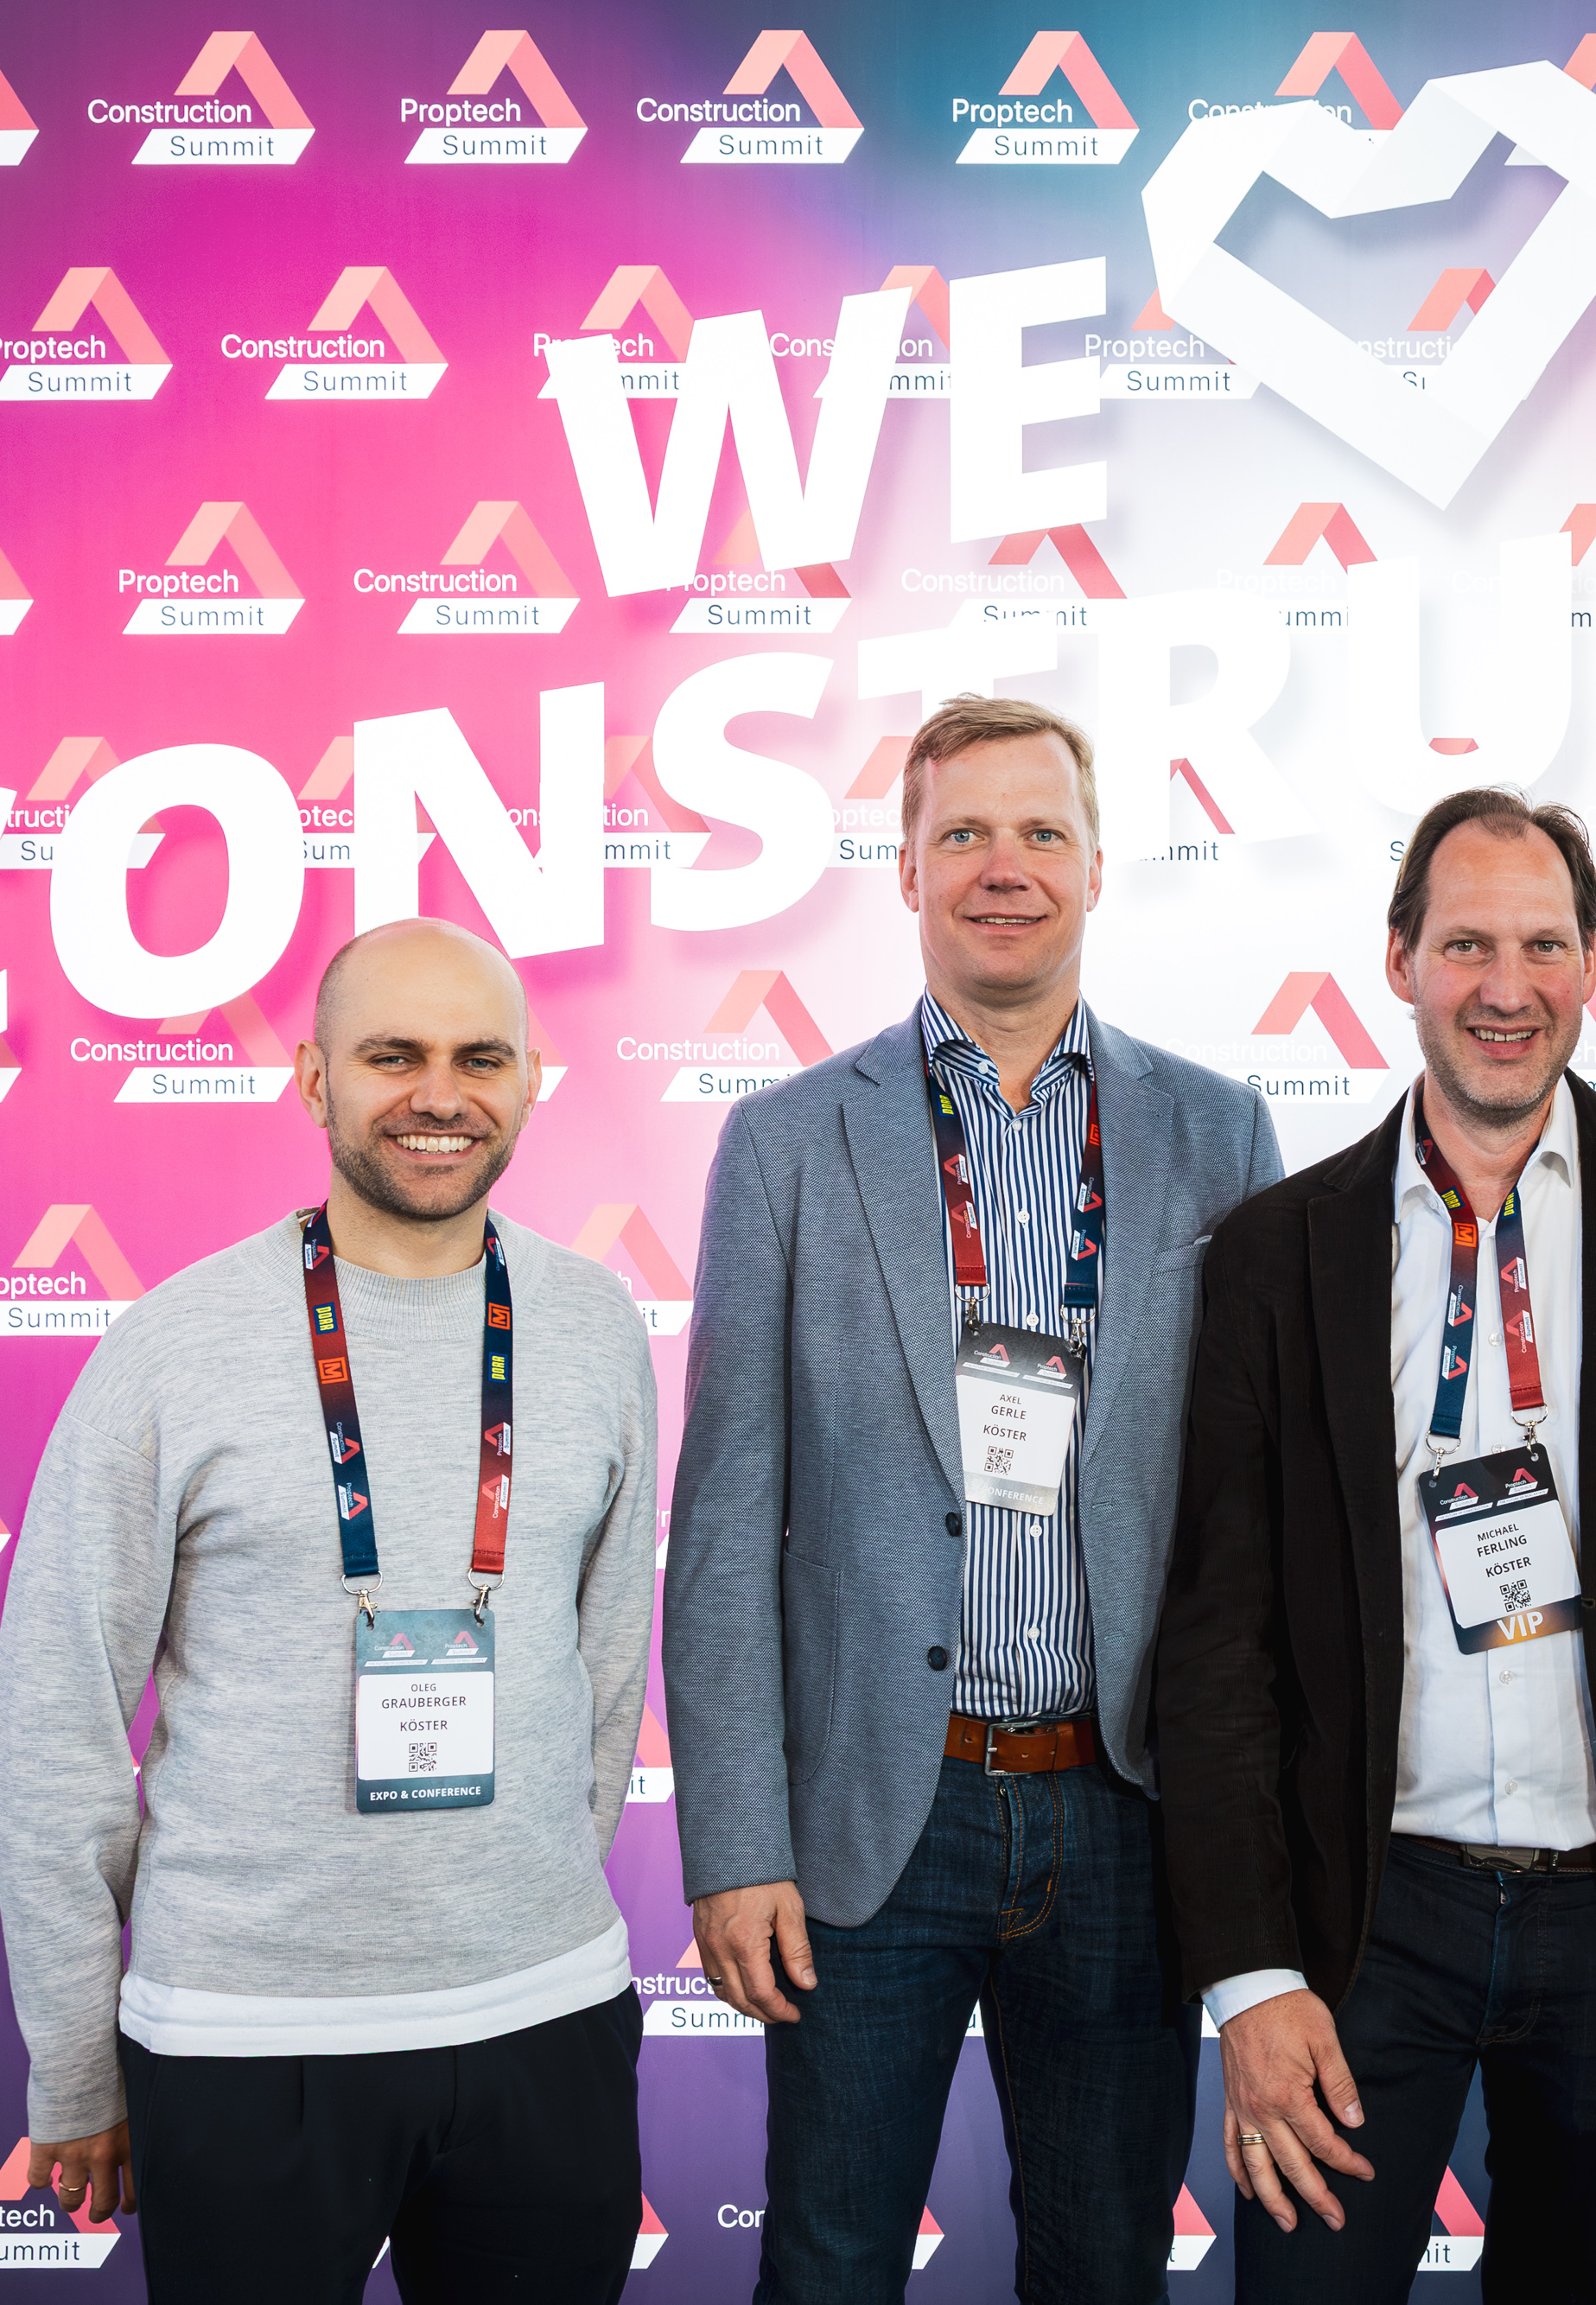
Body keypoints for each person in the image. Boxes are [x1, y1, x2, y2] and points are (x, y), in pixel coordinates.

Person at [1152, 788, 1596, 2305]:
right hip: (1363, 1921)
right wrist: (1252, 1976)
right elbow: (1219, 1640)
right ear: (1399, 960)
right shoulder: (1276, 1254)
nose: (1507, 989)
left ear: (1591, 965)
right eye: (1466, 946)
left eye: (1543, 946)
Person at [664, 693, 1281, 2302]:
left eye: (1041, 833)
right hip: (874, 1816)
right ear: (905, 868)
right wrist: (733, 1843)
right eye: (964, 835)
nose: (1005, 868)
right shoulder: (787, 1144)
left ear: (1098, 866)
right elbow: (722, 1524)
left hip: (1126, 1809)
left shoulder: (1219, 1132)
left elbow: (1260, 1513)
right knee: (830, 2262)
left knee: (1105, 2264)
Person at [0, 917, 660, 2302]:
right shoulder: (173, 1346)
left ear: (531, 1078)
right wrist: (74, 2062)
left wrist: (511, 1891)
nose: (439, 1095)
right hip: (246, 2039)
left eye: (480, 1058)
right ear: (313, 1080)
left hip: (544, 2016)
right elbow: (57, 1720)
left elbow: (604, 1673)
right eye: (392, 1056)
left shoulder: (596, 1326)